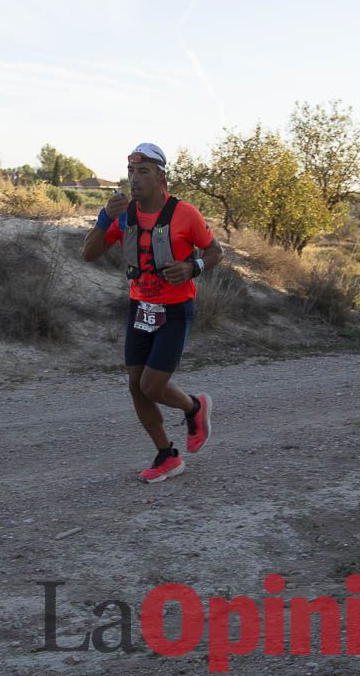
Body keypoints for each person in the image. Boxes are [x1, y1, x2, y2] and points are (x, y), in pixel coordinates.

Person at [82, 142, 225, 483]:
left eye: (143, 171)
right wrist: (105, 217)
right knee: (136, 386)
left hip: (175, 310)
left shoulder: (184, 213)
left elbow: (214, 251)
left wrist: (194, 268)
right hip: (140, 308)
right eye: (131, 171)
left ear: (161, 176)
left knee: (151, 385)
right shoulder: (124, 214)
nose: (134, 179)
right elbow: (89, 254)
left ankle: (194, 407)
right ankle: (167, 455)